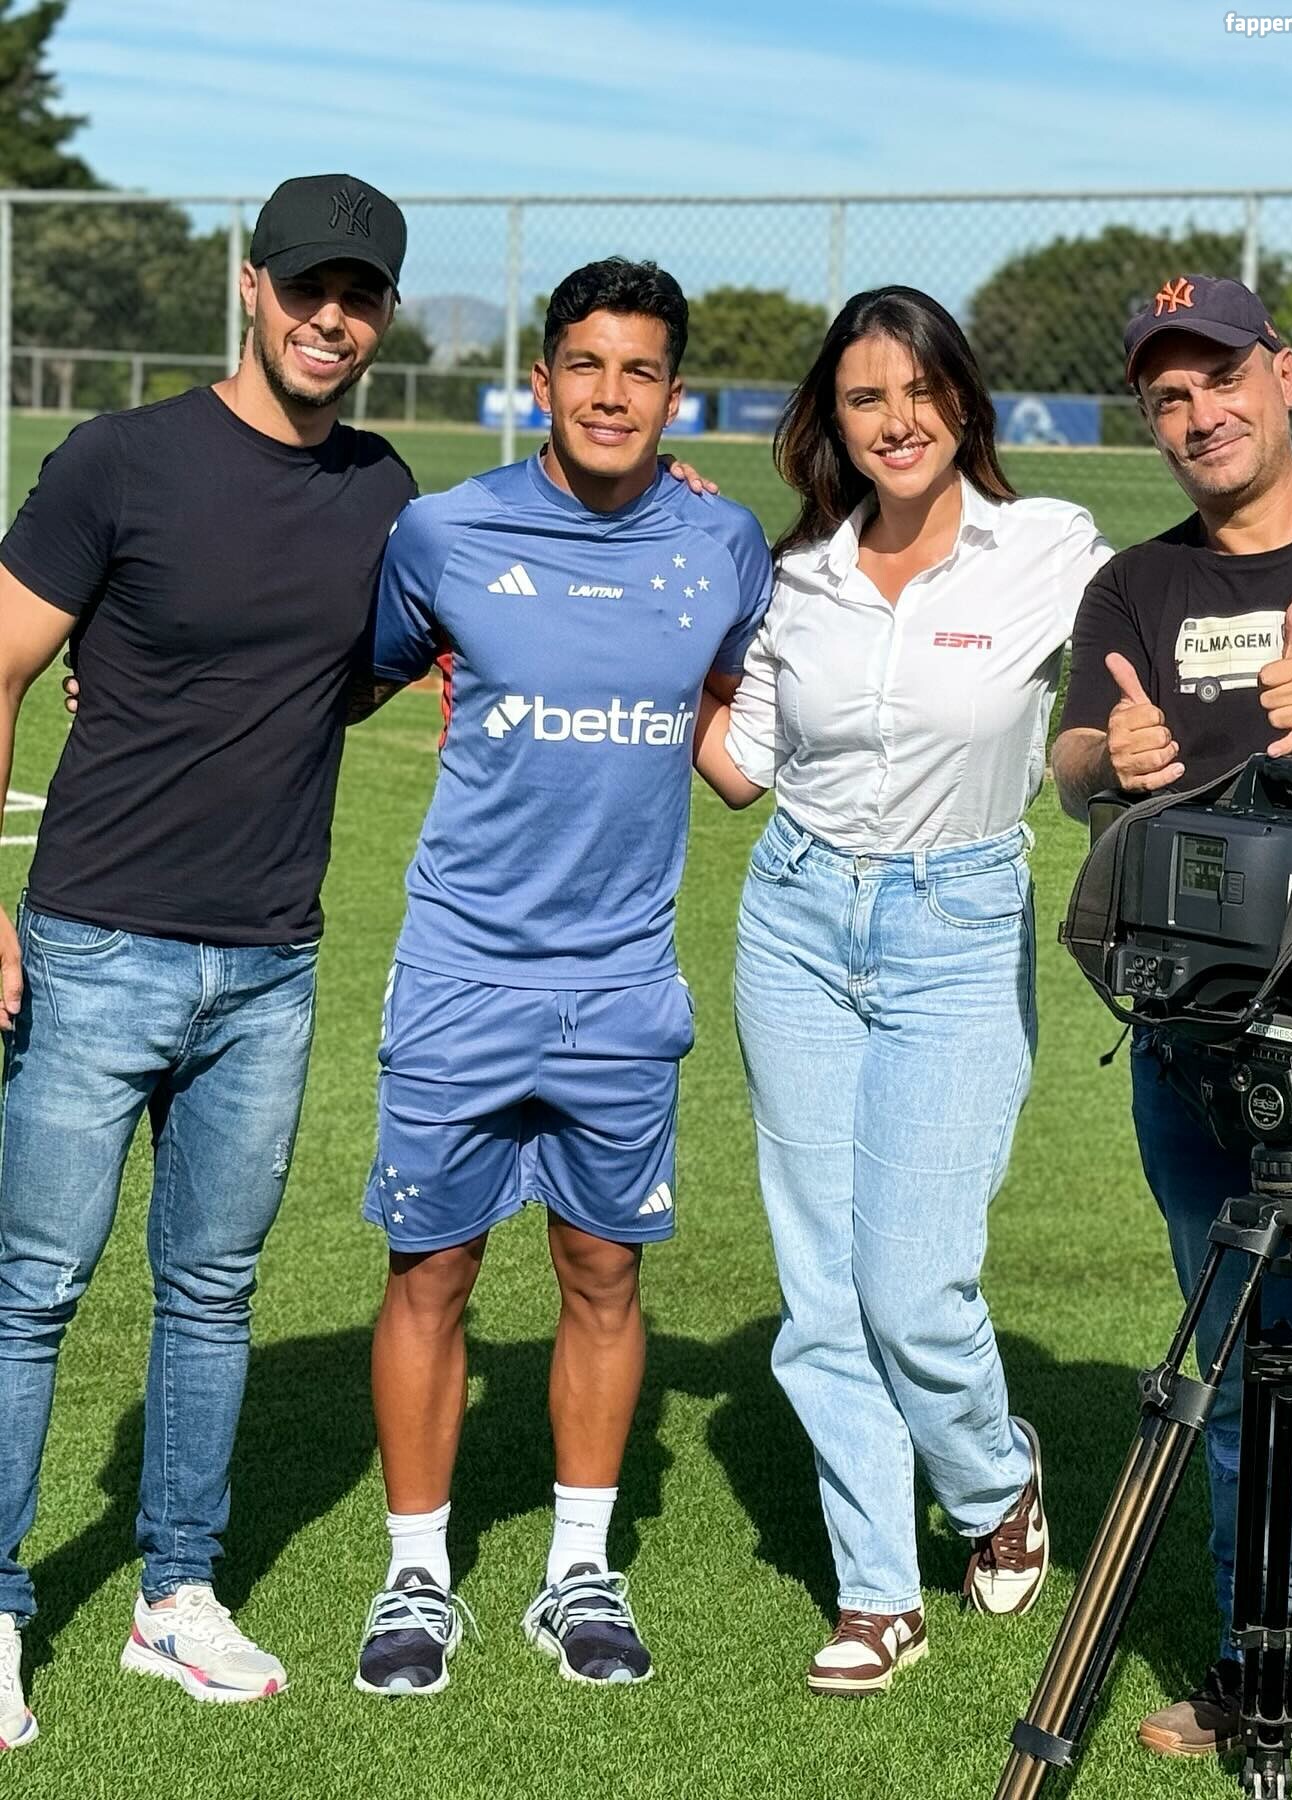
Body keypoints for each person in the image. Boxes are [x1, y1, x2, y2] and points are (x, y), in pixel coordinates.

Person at [0, 174, 416, 1746]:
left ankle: (175, 1598)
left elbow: (347, 676)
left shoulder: (384, 491)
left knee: (212, 1294)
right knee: (31, 1295)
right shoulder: (121, 460)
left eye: (359, 297)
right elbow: (1, 660)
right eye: (307, 287)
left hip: (267, 969)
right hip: (93, 946)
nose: (331, 319)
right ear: (251, 286)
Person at [350, 258, 772, 1698]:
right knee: (432, 1270)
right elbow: (354, 672)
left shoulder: (722, 544)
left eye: (639, 371)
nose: (609, 394)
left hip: (622, 985)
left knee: (603, 1270)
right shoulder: (444, 532)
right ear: (541, 381)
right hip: (462, 972)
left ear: (675, 396)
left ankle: (578, 1567)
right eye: (585, 365)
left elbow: (746, 715)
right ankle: (416, 1573)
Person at [690, 286, 1112, 1696]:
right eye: (866, 397)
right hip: (797, 922)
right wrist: (645, 614)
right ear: (833, 418)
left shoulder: (1047, 547)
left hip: (960, 925)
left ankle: (994, 1481)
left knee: (913, 1285)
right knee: (821, 1289)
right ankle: (877, 1593)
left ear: (964, 402)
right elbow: (741, 769)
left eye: (920, 391)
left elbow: (1157, 643)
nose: (897, 420)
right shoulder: (796, 575)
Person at [1052, 272, 1292, 1758]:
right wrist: (1110, 757)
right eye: (1168, 394)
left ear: (1285, 374)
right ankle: (1272, 1666)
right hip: (1204, 1053)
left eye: (1221, 376)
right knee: (1235, 1382)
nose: (1198, 413)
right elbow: (1072, 762)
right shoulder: (1134, 586)